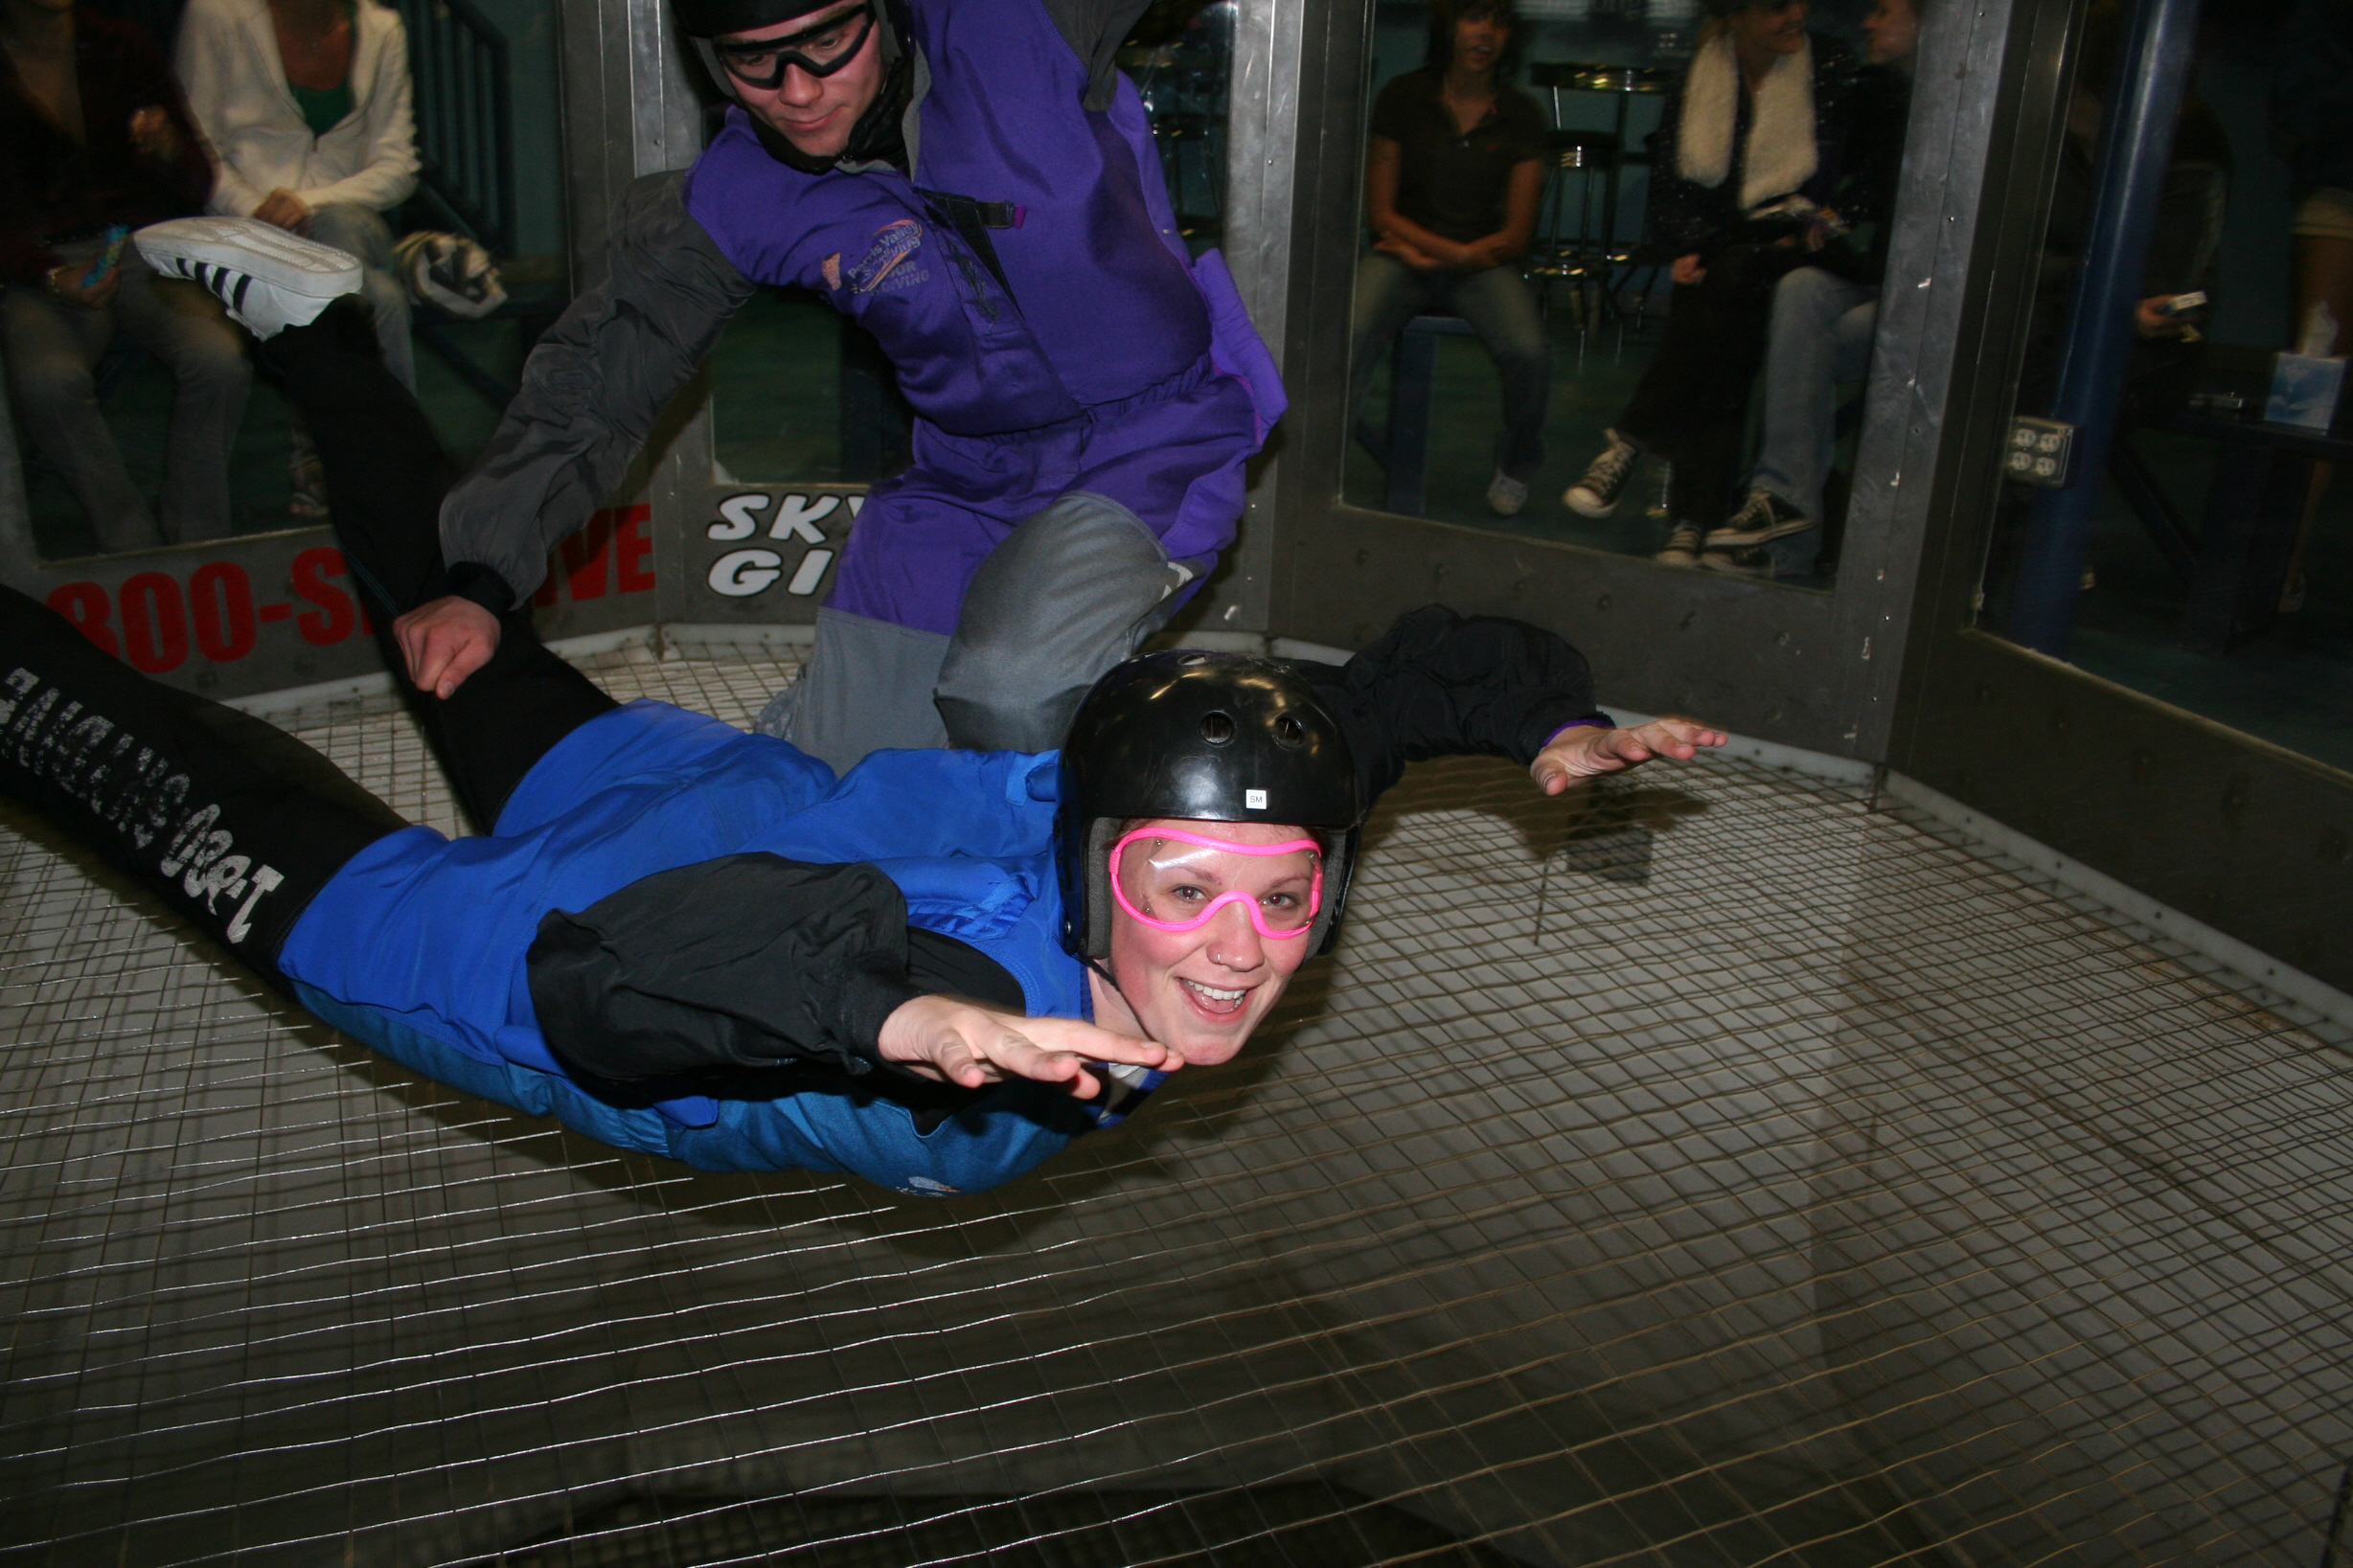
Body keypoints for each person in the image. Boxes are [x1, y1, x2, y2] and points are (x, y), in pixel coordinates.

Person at [0, 218, 1725, 1196]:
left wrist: (1543, 719)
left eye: (1284, 899)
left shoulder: (1132, 845)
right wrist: (892, 1020)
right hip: (570, 909)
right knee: (272, 726)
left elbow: (1397, 696)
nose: (1235, 949)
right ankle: (314, 342)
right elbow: (601, 984)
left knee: (404, 673)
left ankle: (318, 343)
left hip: (670, 849)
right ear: (1095, 846)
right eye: (1187, 884)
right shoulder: (1002, 1031)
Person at [395, 0, 1288, 781]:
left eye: (827, 43)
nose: (797, 89)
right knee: (831, 773)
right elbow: (601, 374)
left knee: (1011, 694)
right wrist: (481, 575)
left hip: (1153, 441)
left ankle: (1104, 870)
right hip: (965, 478)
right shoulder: (745, 191)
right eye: (754, 60)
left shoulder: (1017, 26)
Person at [1558, 0, 1865, 560]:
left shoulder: (1830, 66)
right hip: (1732, 256)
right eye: (1776, 6)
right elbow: (1671, 188)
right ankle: (1693, 522)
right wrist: (1694, 245)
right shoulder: (1701, 73)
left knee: (1724, 286)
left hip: (1806, 250)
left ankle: (1637, 450)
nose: (1796, 14)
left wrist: (1722, 246)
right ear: (1737, 15)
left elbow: (1829, 185)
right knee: (1722, 320)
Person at [0, 0, 248, 551]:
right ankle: (128, 540)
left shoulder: (121, 44)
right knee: (48, 382)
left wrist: (169, 149)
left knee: (217, 358)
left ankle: (198, 541)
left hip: (142, 246)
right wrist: (48, 273)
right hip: (38, 260)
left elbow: (198, 179)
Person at [1701, 0, 1919, 580]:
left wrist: (1840, 229)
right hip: (1884, 282)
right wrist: (1835, 218)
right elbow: (1872, 189)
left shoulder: (1954, 108)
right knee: (1800, 290)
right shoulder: (1887, 94)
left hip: (1933, 297)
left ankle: (1788, 532)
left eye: (1884, 12)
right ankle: (1783, 502)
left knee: (1812, 335)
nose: (1868, 22)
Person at [1347, 0, 1549, 518]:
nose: (1486, 34)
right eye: (1474, 18)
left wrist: (1461, 259)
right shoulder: (1404, 96)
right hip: (1403, 253)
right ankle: (1324, 447)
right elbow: (1382, 214)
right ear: (1449, 27)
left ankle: (1517, 463)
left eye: (1498, 22)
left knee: (1529, 350)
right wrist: (1445, 254)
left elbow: (1517, 234)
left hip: (1483, 263)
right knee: (1352, 329)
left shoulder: (1522, 114)